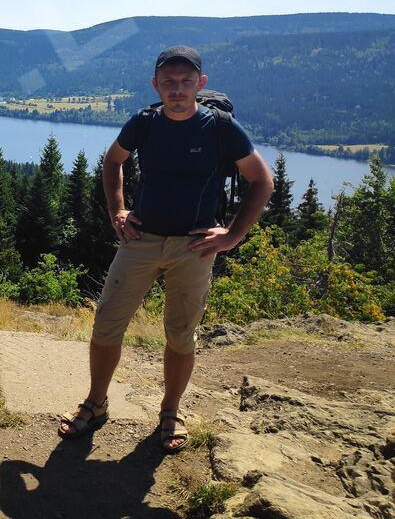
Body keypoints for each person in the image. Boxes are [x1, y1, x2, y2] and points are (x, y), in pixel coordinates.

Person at [57, 45, 274, 452]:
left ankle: (170, 411)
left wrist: (231, 236)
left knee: (180, 335)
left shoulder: (221, 127)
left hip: (194, 246)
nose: (177, 89)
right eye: (169, 82)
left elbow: (262, 181)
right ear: (155, 84)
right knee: (106, 324)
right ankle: (96, 402)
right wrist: (118, 210)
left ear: (200, 83)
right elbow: (112, 160)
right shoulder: (145, 122)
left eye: (185, 81)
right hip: (142, 240)